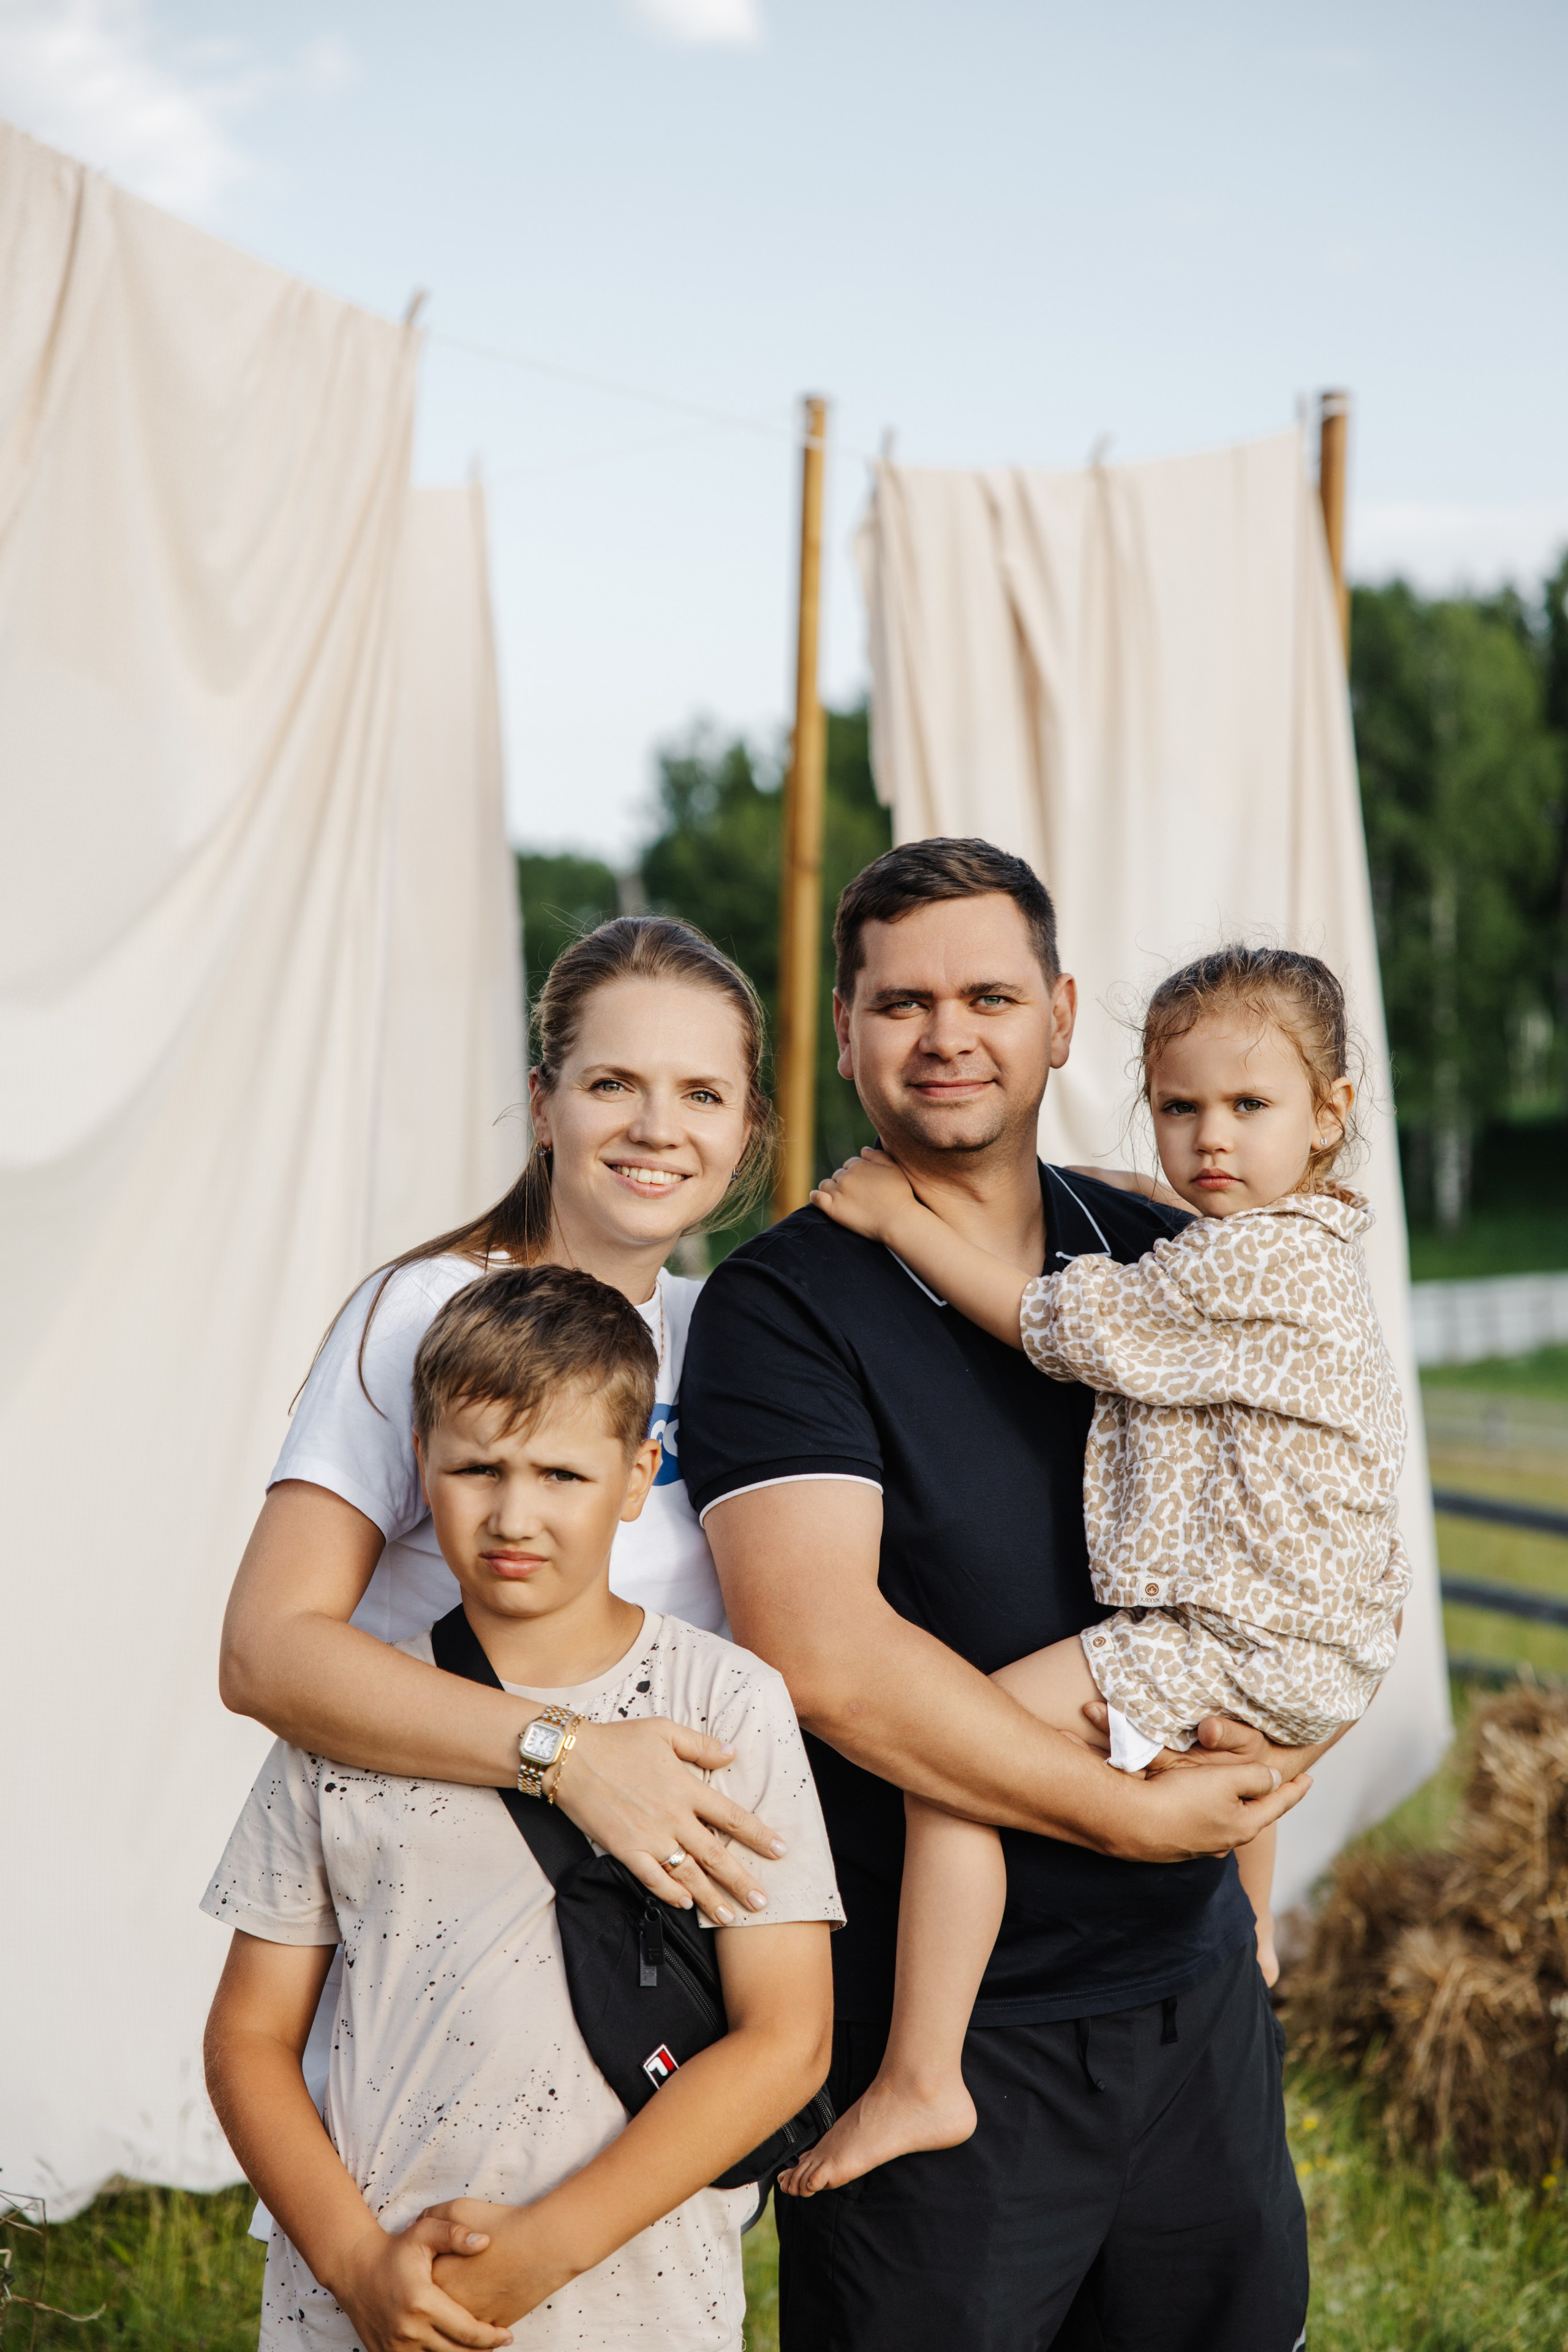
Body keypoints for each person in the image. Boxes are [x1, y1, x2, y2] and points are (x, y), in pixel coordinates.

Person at [680, 839, 1321, 2352]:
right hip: (948, 2033)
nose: (947, 1034)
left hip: (1192, 2005)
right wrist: (1125, 1812)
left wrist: (1241, 1875)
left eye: (986, 993)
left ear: (1058, 1015)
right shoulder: (783, 1312)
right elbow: (827, 1662)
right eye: (901, 1002)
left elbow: (1283, 1545)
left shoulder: (1172, 1255)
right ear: (844, 1032)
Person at [782, 943, 1408, 2198]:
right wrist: (1112, 1178)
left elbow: (1053, 1325)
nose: (1206, 1140)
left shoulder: (1241, 1263)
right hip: (1320, 1640)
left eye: (1246, 1108)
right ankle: (1251, 1951)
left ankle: (919, 2077)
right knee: (1220, 1772)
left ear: (1330, 1112)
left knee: (953, 1757)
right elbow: (1164, 1222)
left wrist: (898, 1217)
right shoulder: (1306, 1233)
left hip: (1228, 1634)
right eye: (1177, 1108)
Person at [203, 1264, 842, 2352]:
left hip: (642, 2304)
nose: (514, 1514)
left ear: (639, 1476)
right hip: (357, 2303)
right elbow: (249, 2038)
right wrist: (359, 2269)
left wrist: (548, 2249)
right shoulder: (350, 1716)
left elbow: (789, 2037)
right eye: (476, 1468)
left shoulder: (725, 1702)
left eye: (561, 1474)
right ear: (420, 1465)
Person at [220, 916, 797, 1948]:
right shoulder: (426, 1310)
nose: (659, 1128)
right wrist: (568, 1757)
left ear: (746, 1130)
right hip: (443, 1905)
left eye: (701, 1094)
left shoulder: (730, 1336)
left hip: (666, 1929)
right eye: (613, 1083)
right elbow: (267, 1651)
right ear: (543, 1105)